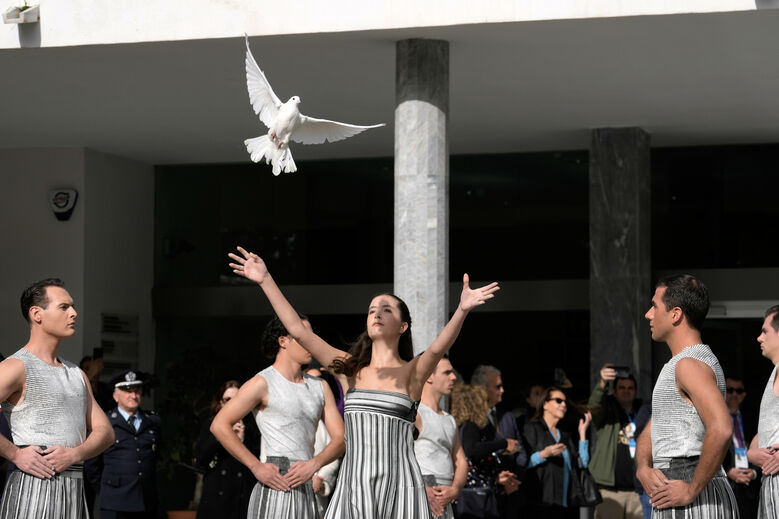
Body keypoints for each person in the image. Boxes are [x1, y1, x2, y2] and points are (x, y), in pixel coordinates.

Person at [227, 246, 498, 518]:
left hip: (401, 487)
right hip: (354, 487)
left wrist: (462, 310)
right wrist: (265, 280)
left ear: (403, 326)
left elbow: (439, 347)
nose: (377, 313)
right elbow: (298, 330)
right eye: (371, 310)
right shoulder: (350, 368)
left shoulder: (413, 372)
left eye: (386, 309)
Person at [0, 278, 114, 518]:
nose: (74, 313)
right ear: (36, 314)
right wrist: (14, 454)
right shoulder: (15, 366)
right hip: (31, 489)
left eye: (72, 306)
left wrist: (75, 454)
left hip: (74, 491)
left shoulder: (76, 374)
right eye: (64, 307)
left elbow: (106, 432)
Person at [211, 315, 345, 519]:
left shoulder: (320, 386)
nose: (310, 341)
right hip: (275, 483)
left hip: (307, 484)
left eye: (311, 335)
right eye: (302, 335)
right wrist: (255, 466)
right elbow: (219, 424)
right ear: (283, 341)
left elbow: (341, 438)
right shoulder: (262, 382)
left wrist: (315, 464)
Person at [635, 274, 737, 517]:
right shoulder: (680, 363)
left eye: (654, 306)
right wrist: (642, 467)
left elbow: (722, 428)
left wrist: (691, 490)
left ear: (675, 314)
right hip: (676, 487)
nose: (648, 314)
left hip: (688, 490)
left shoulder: (689, 364)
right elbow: (655, 425)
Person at [98, 370, 161, 519]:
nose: (133, 396)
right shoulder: (105, 422)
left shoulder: (153, 421)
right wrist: (108, 490)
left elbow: (155, 457)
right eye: (127, 391)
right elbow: (92, 465)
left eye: (137, 390)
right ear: (115, 396)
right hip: (115, 503)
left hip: (146, 502)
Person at [451, 384, 518, 519]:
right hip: (474, 499)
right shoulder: (470, 426)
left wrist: (496, 479)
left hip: (477, 495)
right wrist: (504, 443)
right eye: (485, 401)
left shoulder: (463, 427)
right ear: (476, 404)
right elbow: (473, 450)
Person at [524, 386, 592, 519]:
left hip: (565, 503)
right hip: (542, 502)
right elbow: (523, 462)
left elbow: (582, 463)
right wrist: (544, 454)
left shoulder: (565, 434)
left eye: (565, 402)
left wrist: (582, 434)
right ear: (545, 405)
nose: (563, 405)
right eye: (558, 401)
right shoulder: (532, 428)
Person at [196, 380, 260, 519]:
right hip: (216, 502)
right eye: (227, 399)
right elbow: (201, 460)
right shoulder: (210, 427)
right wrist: (222, 435)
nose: (232, 403)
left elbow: (258, 467)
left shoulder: (250, 431)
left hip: (241, 503)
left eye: (237, 398)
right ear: (221, 402)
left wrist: (242, 441)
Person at [471, 364, 528, 518]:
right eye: (497, 386)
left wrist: (514, 478)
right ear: (483, 389)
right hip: (484, 492)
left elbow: (520, 450)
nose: (502, 390)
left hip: (510, 491)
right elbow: (471, 452)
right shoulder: (472, 419)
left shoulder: (508, 417)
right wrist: (496, 479)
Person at [414, 357, 467, 519]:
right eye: (447, 372)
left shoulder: (449, 419)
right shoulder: (415, 413)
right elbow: (396, 455)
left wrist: (455, 489)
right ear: (429, 376)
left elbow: (461, 461)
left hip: (446, 498)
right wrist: (420, 488)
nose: (453, 377)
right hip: (421, 496)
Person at [588, 364, 643, 519]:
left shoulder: (644, 412)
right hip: (610, 491)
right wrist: (602, 383)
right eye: (622, 387)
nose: (626, 391)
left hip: (638, 491)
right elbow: (594, 406)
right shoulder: (607, 411)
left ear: (636, 391)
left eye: (630, 388)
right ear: (614, 391)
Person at [747, 304, 779, 518]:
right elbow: (769, 426)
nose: (759, 338)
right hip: (769, 485)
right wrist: (751, 452)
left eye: (765, 331)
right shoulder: (775, 371)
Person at [305, 367, 343, 518]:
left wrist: (320, 480)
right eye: (309, 380)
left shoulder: (327, 421)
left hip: (317, 500)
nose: (316, 384)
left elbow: (335, 452)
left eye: (320, 379)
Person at [723, 376, 759, 519]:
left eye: (738, 391)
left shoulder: (752, 418)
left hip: (749, 484)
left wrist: (754, 472)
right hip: (726, 483)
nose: (734, 395)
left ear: (743, 395)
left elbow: (763, 446)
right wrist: (728, 471)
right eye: (730, 390)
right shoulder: (715, 418)